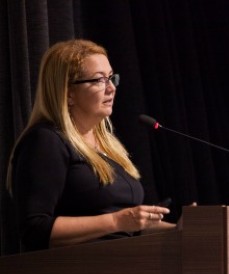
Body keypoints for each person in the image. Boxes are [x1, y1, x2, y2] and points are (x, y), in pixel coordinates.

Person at [6, 39, 175, 252]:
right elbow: (34, 230)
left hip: (124, 266)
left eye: (111, 78)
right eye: (98, 80)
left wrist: (179, 229)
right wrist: (117, 220)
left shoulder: (108, 146)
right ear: (68, 93)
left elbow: (127, 228)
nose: (111, 88)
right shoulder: (46, 141)